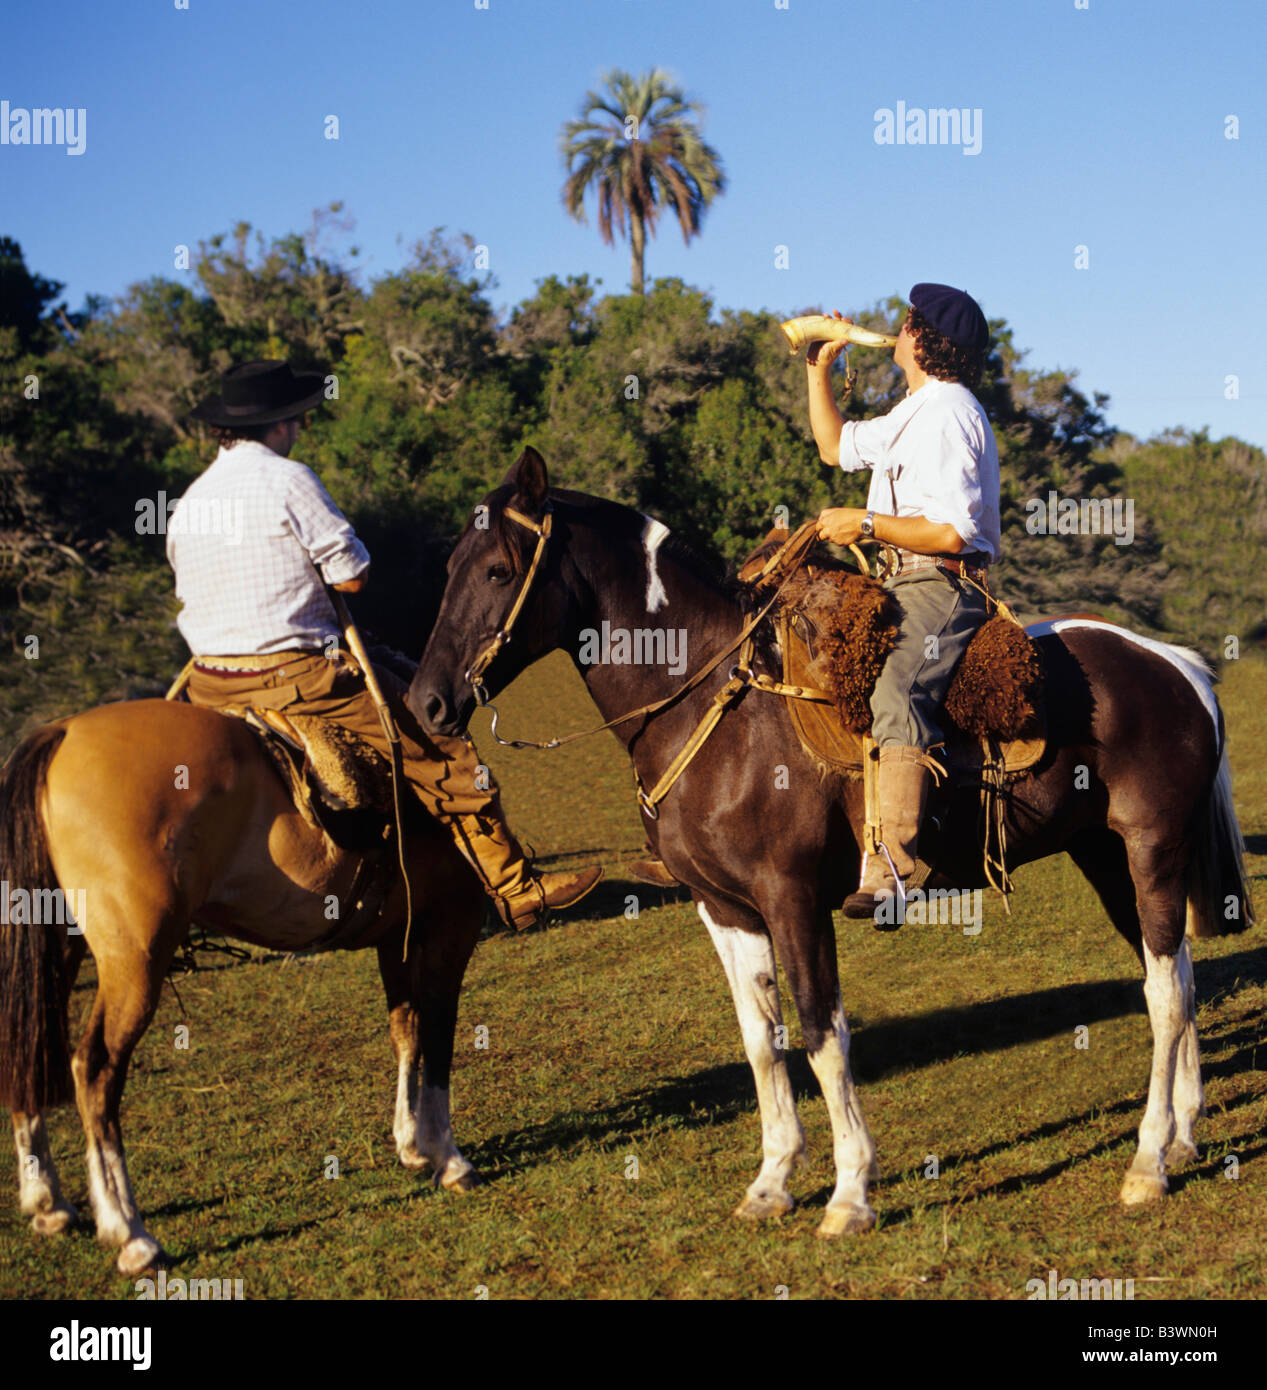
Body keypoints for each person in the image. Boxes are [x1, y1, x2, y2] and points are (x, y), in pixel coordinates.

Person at [168, 359, 601, 931]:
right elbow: (351, 576)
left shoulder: (192, 499)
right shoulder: (288, 479)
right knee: (440, 745)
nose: (299, 426)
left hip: (207, 676)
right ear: (281, 422)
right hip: (298, 673)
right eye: (296, 417)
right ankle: (515, 888)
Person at [805, 284, 1001, 922]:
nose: (898, 326)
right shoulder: (911, 411)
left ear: (923, 339)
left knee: (896, 688)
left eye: (908, 320)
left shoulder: (948, 412)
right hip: (895, 581)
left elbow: (951, 533)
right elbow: (834, 448)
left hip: (941, 583)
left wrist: (865, 524)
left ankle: (897, 867)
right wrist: (819, 368)